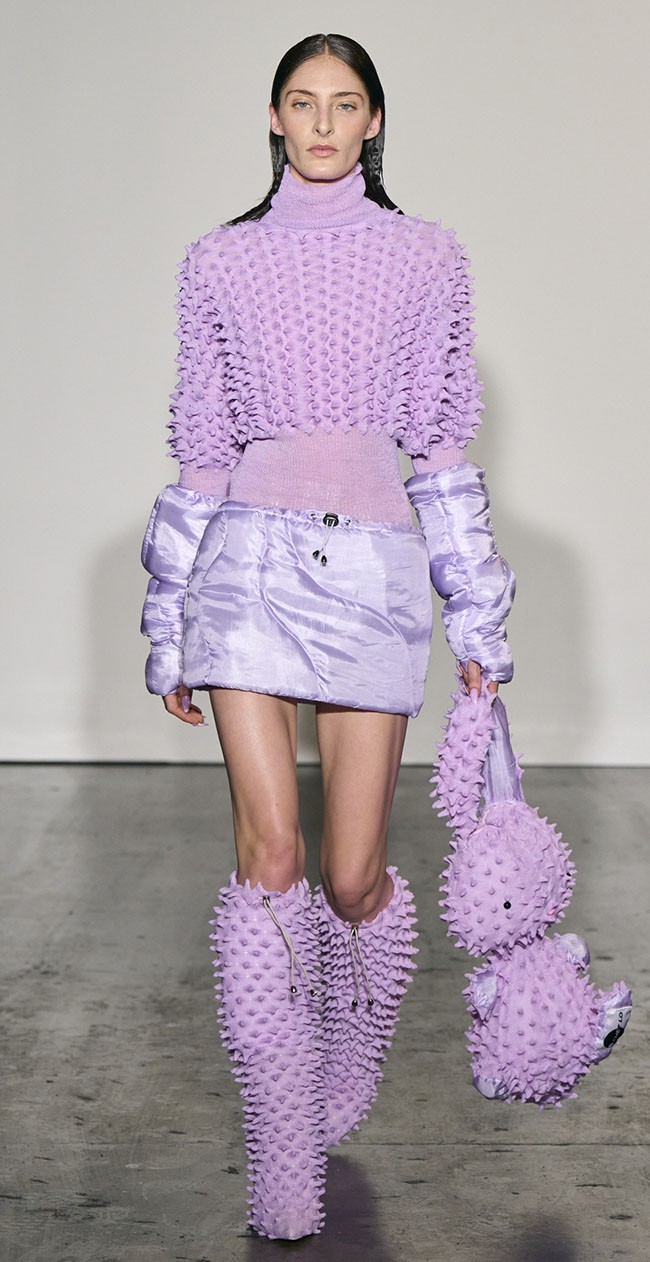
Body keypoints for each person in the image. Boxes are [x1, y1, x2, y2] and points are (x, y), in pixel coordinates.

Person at [140, 32, 515, 1241]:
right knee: (270, 857)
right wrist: (169, 621)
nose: (318, 123)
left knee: (353, 876)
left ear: (372, 122)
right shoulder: (218, 261)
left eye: (341, 104)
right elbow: (202, 445)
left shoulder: (426, 257)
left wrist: (475, 613)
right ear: (272, 117)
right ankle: (281, 1143)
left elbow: (440, 447)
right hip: (245, 564)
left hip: (371, 574)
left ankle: (346, 1036)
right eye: (300, 102)